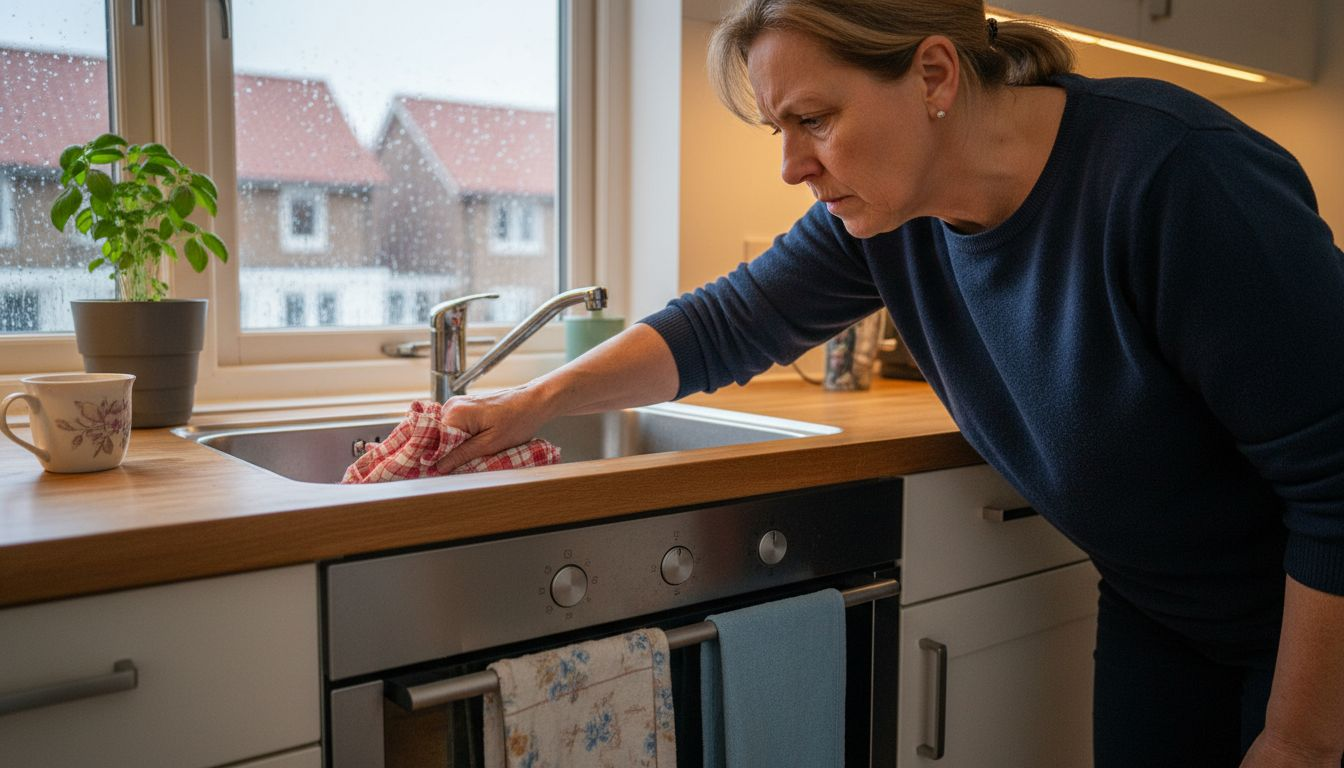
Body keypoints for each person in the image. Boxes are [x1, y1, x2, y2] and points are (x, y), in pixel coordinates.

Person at [437, 1, 1344, 765]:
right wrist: (528, 407)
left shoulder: (1177, 178)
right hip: (1163, 609)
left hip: (1314, 624)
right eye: (778, 129)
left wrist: (1300, 741)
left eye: (815, 120)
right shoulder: (892, 216)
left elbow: (1337, 481)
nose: (791, 165)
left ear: (936, 77)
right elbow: (725, 323)